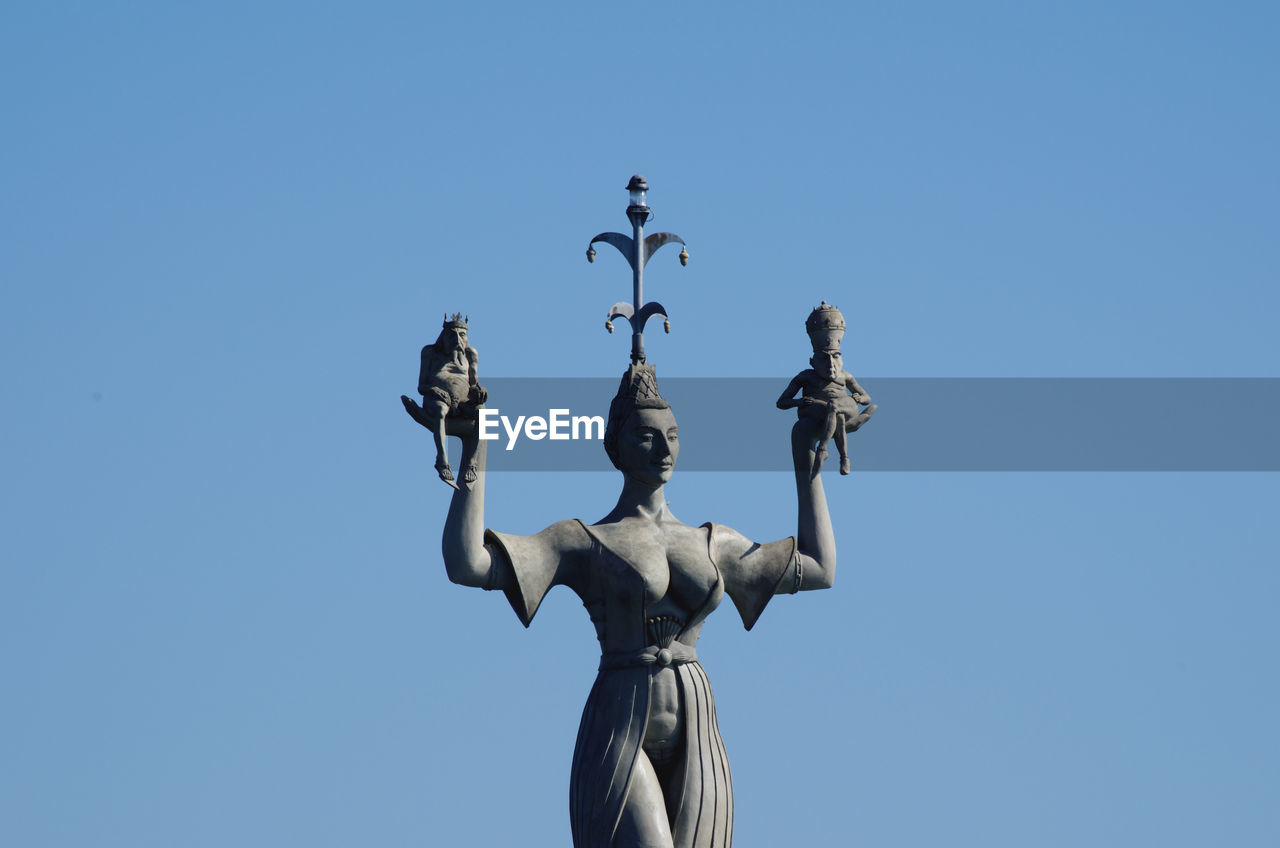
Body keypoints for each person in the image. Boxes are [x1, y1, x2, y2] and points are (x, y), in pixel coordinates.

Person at [438, 361, 839, 848]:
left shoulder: (714, 544)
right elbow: (468, 565)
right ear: (615, 446)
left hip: (696, 724)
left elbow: (819, 568)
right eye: (648, 436)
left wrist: (806, 459)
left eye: (672, 435)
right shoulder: (582, 541)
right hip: (618, 723)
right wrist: (473, 449)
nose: (664, 448)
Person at [776, 302, 876, 476]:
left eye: (835, 357)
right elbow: (781, 402)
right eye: (824, 358)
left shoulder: (845, 376)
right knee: (837, 415)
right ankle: (844, 457)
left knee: (836, 406)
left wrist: (858, 398)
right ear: (813, 361)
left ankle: (823, 449)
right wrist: (798, 401)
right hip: (817, 410)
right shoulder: (806, 376)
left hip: (845, 406)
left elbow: (866, 397)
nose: (831, 364)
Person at [400, 313, 487, 488]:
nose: (457, 339)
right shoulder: (430, 353)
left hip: (462, 400)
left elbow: (474, 384)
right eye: (452, 334)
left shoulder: (470, 355)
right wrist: (436, 390)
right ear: (444, 336)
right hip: (437, 398)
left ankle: (471, 463)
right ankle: (442, 460)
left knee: (483, 414)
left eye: (461, 334)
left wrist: (480, 391)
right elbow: (421, 386)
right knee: (440, 412)